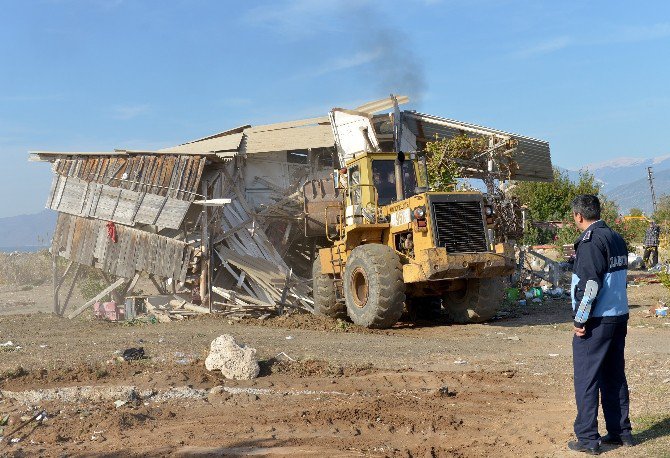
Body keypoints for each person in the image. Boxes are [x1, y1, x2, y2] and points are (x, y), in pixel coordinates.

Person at [567, 195, 633, 455]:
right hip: (618, 315)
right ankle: (620, 433)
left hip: (597, 321)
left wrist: (580, 320)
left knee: (586, 378)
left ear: (578, 216)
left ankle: (587, 439)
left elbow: (590, 286)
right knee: (614, 376)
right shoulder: (616, 237)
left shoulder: (590, 242)